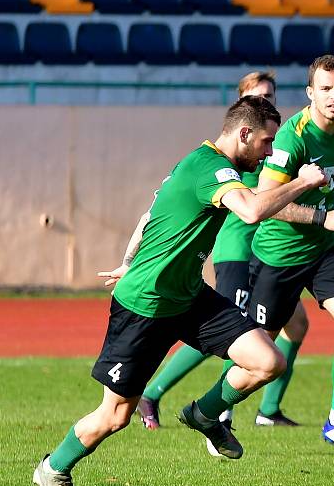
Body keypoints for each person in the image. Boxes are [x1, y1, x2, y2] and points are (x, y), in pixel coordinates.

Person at [32, 96, 327, 486]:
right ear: (243, 134)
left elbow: (150, 215)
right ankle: (53, 468)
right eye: (266, 142)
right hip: (146, 305)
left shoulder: (202, 165)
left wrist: (128, 259)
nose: (270, 151)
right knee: (115, 416)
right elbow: (252, 212)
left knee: (268, 360)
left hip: (188, 297)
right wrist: (304, 182)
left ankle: (204, 415)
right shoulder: (212, 169)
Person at [124, 72, 314, 435]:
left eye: (271, 96)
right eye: (258, 96)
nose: (267, 101)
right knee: (231, 332)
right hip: (236, 249)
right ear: (242, 114)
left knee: (296, 325)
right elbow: (253, 206)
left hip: (263, 249)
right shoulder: (221, 165)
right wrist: (308, 193)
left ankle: (268, 408)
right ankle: (176, 399)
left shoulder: (264, 152)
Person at [248, 54, 334, 457]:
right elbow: (264, 200)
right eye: (325, 88)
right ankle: (212, 411)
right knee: (255, 350)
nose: (333, 96)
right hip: (279, 254)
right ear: (310, 93)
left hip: (323, 251)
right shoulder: (292, 137)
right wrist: (323, 216)